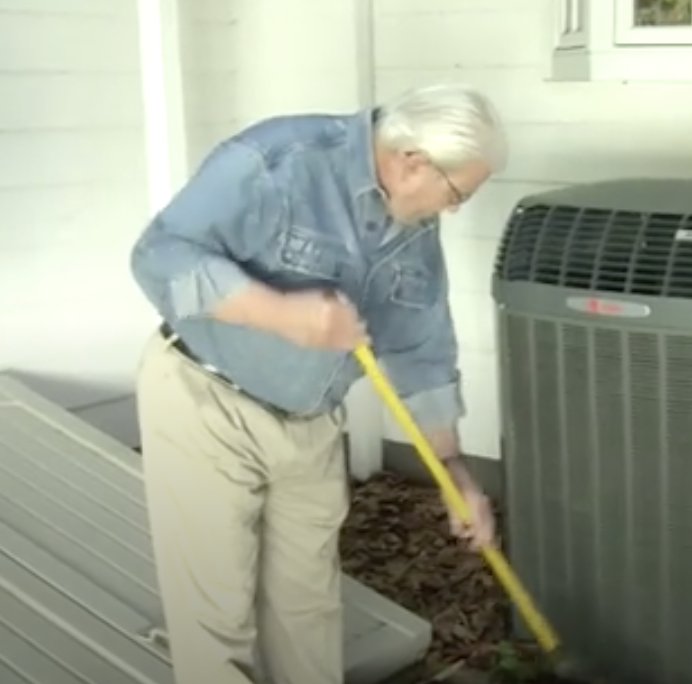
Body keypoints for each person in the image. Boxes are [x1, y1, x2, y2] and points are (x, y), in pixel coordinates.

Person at [128, 84, 507, 684]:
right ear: (413, 161)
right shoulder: (279, 161)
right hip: (208, 399)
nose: (455, 209)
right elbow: (158, 255)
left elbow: (420, 349)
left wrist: (452, 468)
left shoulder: (413, 224)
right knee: (216, 615)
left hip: (311, 423)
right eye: (457, 193)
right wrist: (280, 313)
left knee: (307, 609)